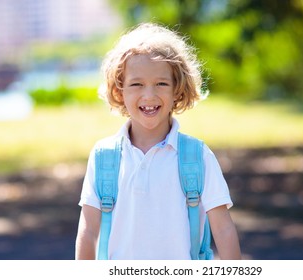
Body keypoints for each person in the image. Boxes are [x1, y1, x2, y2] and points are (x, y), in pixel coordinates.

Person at [75, 22, 241, 260]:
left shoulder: (197, 156)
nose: (149, 95)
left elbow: (223, 230)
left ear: (177, 90)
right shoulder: (104, 157)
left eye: (161, 83)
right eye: (136, 84)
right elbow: (88, 232)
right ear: (120, 91)